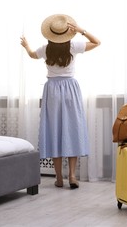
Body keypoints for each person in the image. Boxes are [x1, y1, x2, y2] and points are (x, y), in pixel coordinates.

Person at [20, 14, 100, 189]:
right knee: (72, 129)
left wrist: (26, 46)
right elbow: (97, 42)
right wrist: (81, 31)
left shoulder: (45, 49)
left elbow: (33, 55)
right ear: (66, 33)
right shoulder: (73, 46)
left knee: (54, 130)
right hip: (70, 89)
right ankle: (72, 175)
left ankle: (58, 178)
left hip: (52, 90)